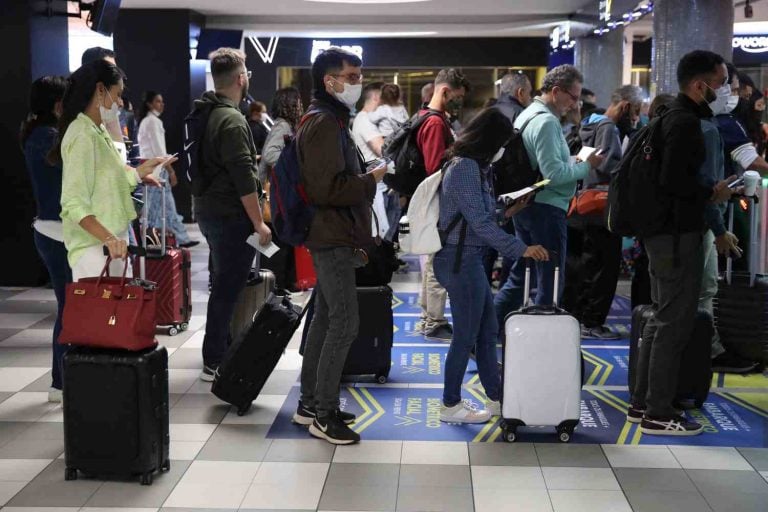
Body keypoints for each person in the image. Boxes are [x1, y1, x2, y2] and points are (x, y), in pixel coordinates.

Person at [628, 50, 736, 436]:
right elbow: (676, 183)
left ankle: (642, 403)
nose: (726, 91)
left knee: (661, 318)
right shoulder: (687, 124)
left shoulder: (667, 118)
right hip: (677, 236)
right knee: (674, 323)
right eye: (721, 83)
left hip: (661, 236)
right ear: (699, 85)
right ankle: (658, 411)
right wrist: (713, 192)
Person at [293, 47, 388, 445]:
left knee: (327, 316)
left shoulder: (329, 119)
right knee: (344, 322)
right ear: (329, 81)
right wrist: (371, 180)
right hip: (330, 235)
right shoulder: (324, 124)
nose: (357, 83)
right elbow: (325, 188)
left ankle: (311, 403)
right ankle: (324, 414)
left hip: (331, 232)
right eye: (350, 77)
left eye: (358, 76)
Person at [435, 108, 548, 423]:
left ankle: (496, 397)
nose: (504, 150)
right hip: (460, 261)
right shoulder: (466, 168)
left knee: (486, 331)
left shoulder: (474, 166)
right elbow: (481, 225)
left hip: (467, 259)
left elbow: (479, 217)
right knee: (467, 336)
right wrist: (521, 248)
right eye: (502, 143)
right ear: (489, 141)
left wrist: (507, 211)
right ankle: (450, 404)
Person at [493, 65, 604, 331]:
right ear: (556, 91)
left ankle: (488, 333)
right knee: (550, 279)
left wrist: (571, 161)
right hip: (546, 208)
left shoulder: (529, 114)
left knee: (521, 275)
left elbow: (542, 164)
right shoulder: (546, 121)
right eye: (573, 97)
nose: (575, 104)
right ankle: (542, 338)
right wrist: (587, 165)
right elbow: (553, 174)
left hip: (528, 205)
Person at [192, 48, 271, 381]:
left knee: (222, 281)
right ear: (241, 79)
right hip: (230, 216)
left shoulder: (203, 111)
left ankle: (220, 345)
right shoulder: (233, 119)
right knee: (228, 287)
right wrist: (259, 222)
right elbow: (244, 179)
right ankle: (215, 358)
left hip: (207, 211)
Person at [52, 61, 167, 281]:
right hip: (95, 249)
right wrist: (108, 238)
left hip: (110, 244)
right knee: (101, 313)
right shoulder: (82, 135)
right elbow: (73, 202)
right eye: (118, 94)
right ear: (100, 90)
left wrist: (137, 173)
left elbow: (106, 178)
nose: (120, 102)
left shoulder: (96, 130)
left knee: (118, 314)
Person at [568, 85, 643, 340]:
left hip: (584, 204)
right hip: (603, 206)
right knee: (605, 266)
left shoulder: (589, 122)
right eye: (635, 111)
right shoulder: (609, 129)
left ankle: (580, 317)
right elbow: (609, 167)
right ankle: (592, 321)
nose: (636, 117)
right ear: (625, 106)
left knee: (589, 263)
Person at [21, 76, 70, 403]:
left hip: (51, 230)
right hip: (57, 232)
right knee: (70, 310)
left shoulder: (37, 135)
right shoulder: (49, 139)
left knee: (69, 308)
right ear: (57, 105)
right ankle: (60, 383)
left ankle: (62, 381)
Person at [413, 69, 470, 342]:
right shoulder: (435, 124)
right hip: (439, 202)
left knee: (432, 261)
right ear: (445, 92)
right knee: (439, 261)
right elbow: (435, 167)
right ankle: (434, 321)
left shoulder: (426, 117)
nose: (459, 102)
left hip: (433, 203)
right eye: (457, 96)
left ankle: (428, 318)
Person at [137, 90, 198, 248]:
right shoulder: (153, 122)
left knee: (157, 207)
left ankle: (177, 237)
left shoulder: (147, 121)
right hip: (157, 168)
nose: (162, 104)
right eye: (158, 101)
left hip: (150, 167)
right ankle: (178, 238)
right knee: (162, 206)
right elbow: (160, 152)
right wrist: (171, 171)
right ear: (150, 104)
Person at [257, 87, 303, 290]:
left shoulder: (285, 126)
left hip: (275, 196)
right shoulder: (282, 126)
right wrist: (291, 167)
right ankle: (274, 286)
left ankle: (280, 284)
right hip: (273, 197)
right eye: (298, 102)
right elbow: (269, 154)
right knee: (276, 245)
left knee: (279, 244)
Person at [351, 82, 385, 163]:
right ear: (376, 97)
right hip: (374, 173)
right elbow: (384, 151)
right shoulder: (365, 120)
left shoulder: (368, 118)